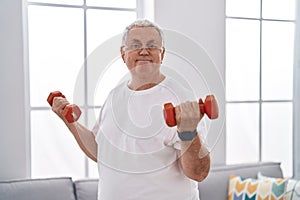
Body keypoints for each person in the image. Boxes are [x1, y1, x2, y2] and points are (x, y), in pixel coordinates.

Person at [51, 19, 210, 200]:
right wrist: (69, 122)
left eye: (152, 46)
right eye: (135, 45)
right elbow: (99, 151)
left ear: (162, 54)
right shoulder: (114, 96)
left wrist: (188, 132)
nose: (144, 51)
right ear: (123, 54)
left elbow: (199, 173)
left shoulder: (180, 98)